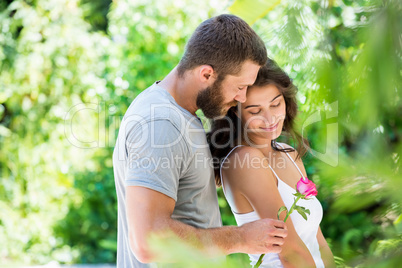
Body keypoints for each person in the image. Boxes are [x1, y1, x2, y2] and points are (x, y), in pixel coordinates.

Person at [113, 14, 288, 267]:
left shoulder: (178, 115)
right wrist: (241, 238)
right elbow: (149, 241)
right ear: (206, 74)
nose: (242, 98)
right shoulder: (161, 125)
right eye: (240, 87)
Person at [207, 59, 336, 268]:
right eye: (255, 111)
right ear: (236, 111)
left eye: (275, 104)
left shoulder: (289, 154)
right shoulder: (244, 161)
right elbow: (291, 252)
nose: (270, 118)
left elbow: (318, 241)